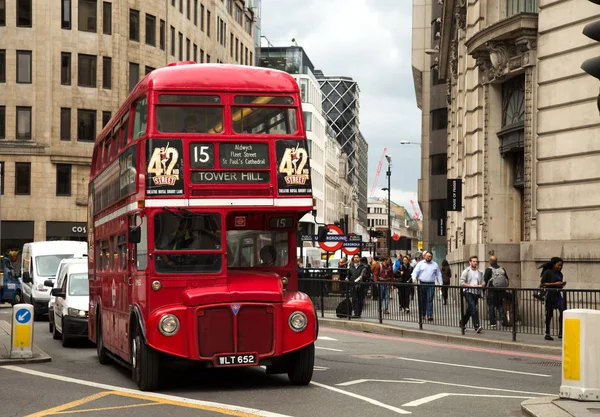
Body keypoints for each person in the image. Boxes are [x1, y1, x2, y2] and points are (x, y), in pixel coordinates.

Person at [540, 257, 566, 341]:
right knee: (549, 314)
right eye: (558, 265)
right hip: (550, 296)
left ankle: (561, 333)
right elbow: (542, 284)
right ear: (553, 264)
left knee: (563, 311)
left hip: (557, 295)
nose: (560, 267)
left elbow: (559, 285)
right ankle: (547, 333)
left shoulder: (560, 274)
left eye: (561, 265)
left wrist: (561, 285)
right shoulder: (548, 272)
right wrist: (555, 283)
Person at [411, 251, 442, 322]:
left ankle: (429, 315)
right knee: (422, 299)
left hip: (431, 284)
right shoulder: (420, 264)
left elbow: (438, 275)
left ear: (432, 257)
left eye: (430, 256)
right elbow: (415, 272)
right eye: (427, 256)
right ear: (424, 256)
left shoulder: (435, 265)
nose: (428, 257)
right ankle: (422, 314)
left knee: (430, 299)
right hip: (422, 283)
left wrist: (441, 284)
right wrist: (414, 278)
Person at [459, 255, 485, 333]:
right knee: (473, 308)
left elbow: (483, 282)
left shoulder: (480, 272)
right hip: (467, 291)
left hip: (476, 292)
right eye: (473, 261)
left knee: (470, 309)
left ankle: (462, 323)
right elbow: (461, 282)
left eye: (476, 261)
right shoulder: (466, 271)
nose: (475, 263)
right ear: (470, 262)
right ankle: (477, 326)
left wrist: (481, 285)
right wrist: (470, 285)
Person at [483, 255, 510, 328]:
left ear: (490, 261)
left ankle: (493, 323)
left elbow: (485, 281)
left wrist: (483, 291)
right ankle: (504, 321)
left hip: (492, 291)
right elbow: (507, 280)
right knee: (500, 306)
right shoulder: (502, 269)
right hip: (501, 291)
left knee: (491, 306)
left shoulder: (488, 270)